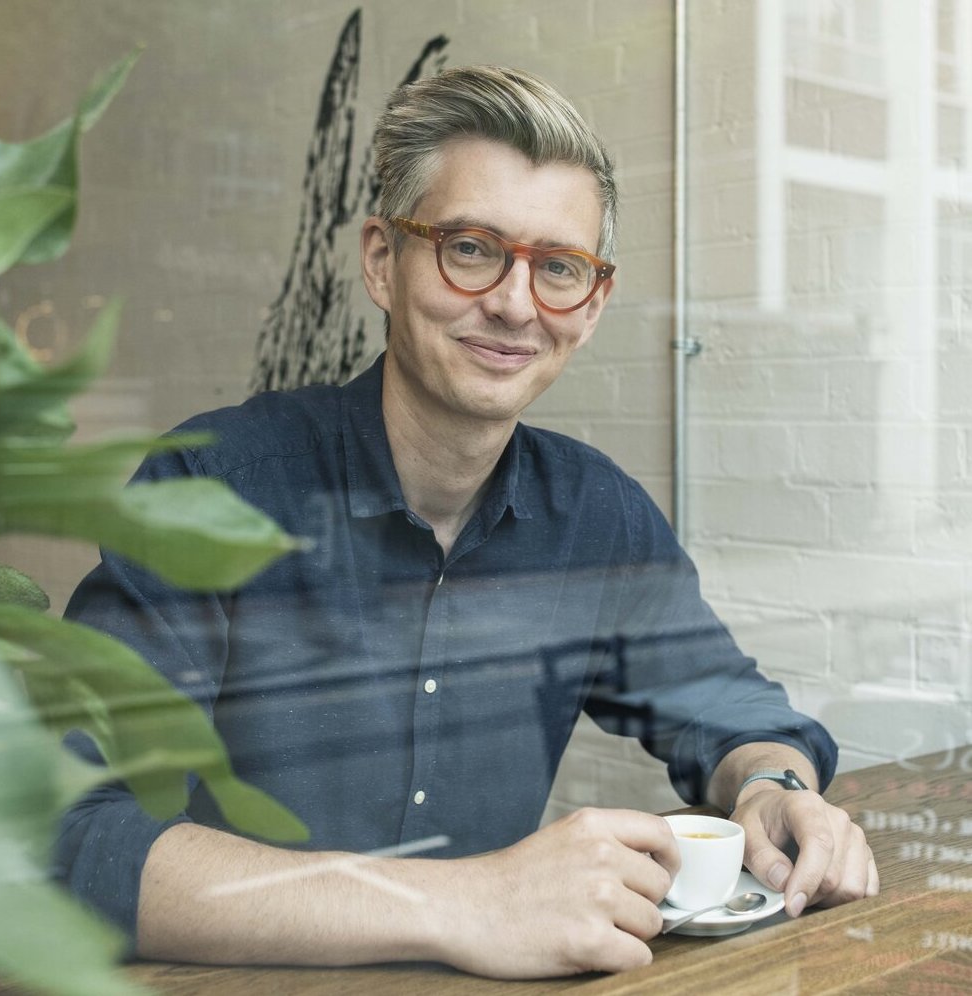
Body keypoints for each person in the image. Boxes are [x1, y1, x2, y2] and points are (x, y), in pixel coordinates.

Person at [56, 66, 878, 979]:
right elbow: (65, 838)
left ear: (592, 303)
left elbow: (727, 712)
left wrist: (772, 787)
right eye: (472, 248)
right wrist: (461, 900)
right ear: (381, 260)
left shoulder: (593, 516)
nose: (516, 305)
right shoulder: (209, 488)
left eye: (558, 267)